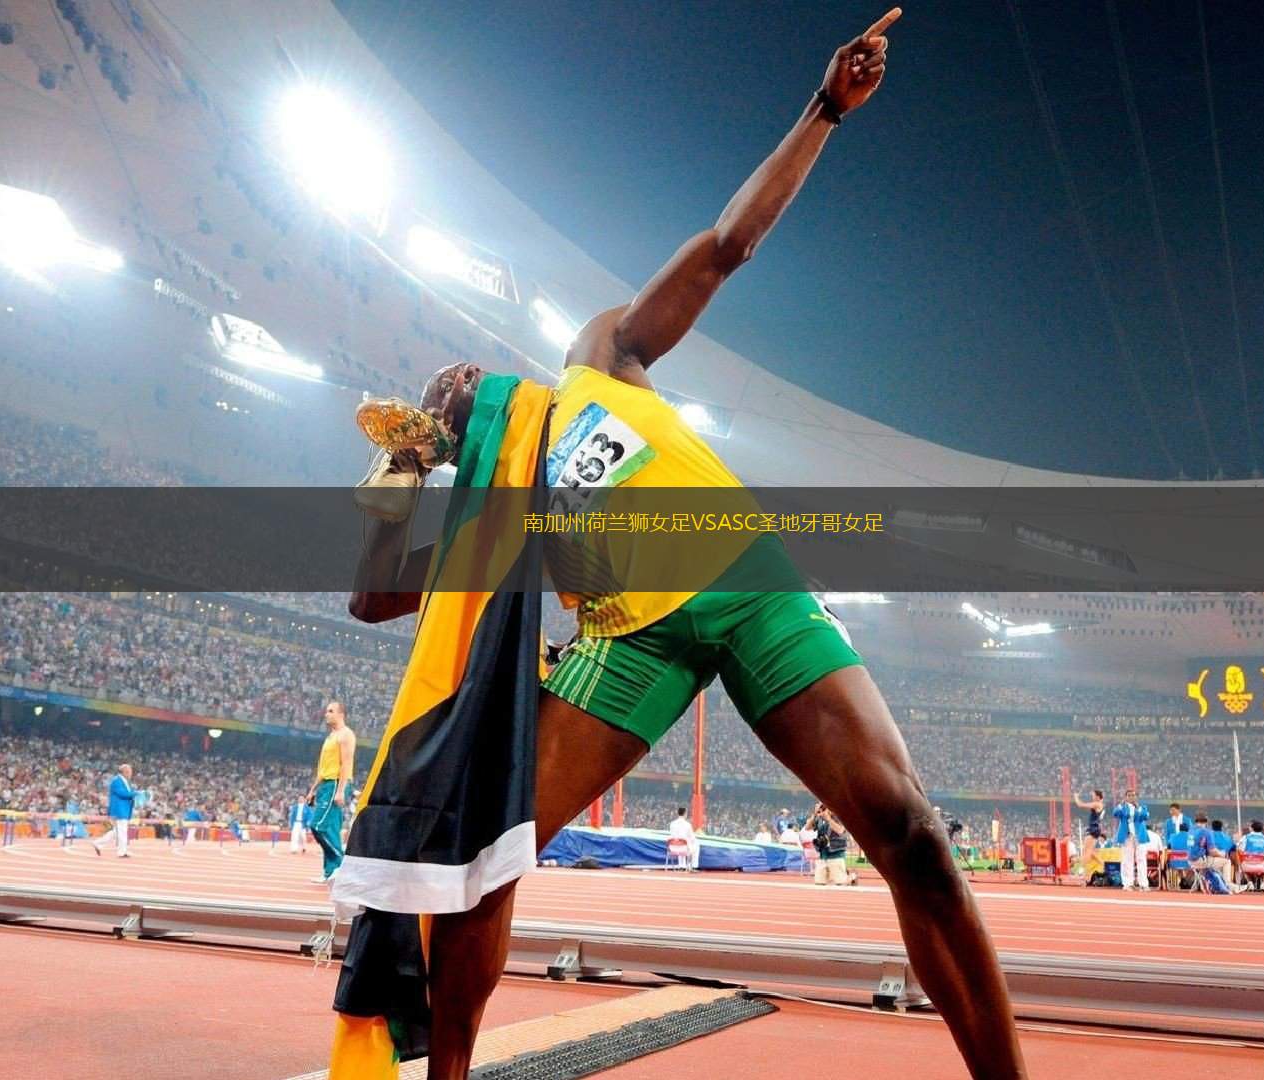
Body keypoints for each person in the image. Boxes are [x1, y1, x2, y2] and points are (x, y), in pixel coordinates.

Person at [343, 13, 1025, 1078]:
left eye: (462, 372)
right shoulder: (500, 517)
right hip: (627, 644)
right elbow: (375, 598)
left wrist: (824, 111)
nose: (456, 382)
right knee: (481, 857)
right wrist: (404, 468)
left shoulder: (598, 359)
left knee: (913, 833)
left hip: (747, 585)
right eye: (445, 398)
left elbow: (723, 250)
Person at [307, 701, 357, 884]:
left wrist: (341, 790)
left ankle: (342, 864)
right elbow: (323, 768)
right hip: (326, 784)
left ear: (341, 714)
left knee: (318, 826)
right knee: (332, 829)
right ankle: (330, 871)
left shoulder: (346, 735)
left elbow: (346, 763)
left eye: (330, 711)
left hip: (336, 783)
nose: (326, 714)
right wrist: (313, 790)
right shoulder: (330, 737)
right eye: (326, 711)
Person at [91, 764, 137, 857]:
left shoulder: (125, 782)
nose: (131, 773)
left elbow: (128, 794)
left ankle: (98, 843)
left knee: (117, 832)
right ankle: (122, 852)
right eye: (129, 771)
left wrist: (135, 794)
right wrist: (135, 793)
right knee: (122, 831)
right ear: (124, 772)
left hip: (123, 810)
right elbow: (122, 793)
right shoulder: (117, 781)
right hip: (119, 810)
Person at [1112, 787, 1152, 891]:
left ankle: (1143, 884)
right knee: (1127, 860)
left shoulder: (1142, 807)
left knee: (1141, 859)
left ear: (1136, 797)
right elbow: (1115, 813)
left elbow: (1145, 816)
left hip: (1140, 836)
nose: (1131, 797)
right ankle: (1128, 883)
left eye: (1133, 795)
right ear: (1126, 797)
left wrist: (1138, 807)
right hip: (1127, 836)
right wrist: (1121, 804)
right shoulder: (1122, 808)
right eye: (1129, 795)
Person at [1073, 788, 1106, 878]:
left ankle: (1081, 872)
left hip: (1093, 828)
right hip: (1094, 828)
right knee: (1090, 851)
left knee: (1086, 852)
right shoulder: (1100, 804)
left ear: (1098, 797)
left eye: (1093, 795)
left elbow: (1080, 805)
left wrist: (1076, 797)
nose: (1092, 797)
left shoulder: (1097, 804)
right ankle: (1103, 864)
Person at [667, 806, 698, 872]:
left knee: (681, 843)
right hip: (684, 848)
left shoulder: (672, 824)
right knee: (696, 844)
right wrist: (692, 841)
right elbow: (692, 837)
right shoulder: (687, 825)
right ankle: (694, 866)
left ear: (678, 813)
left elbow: (672, 835)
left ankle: (682, 866)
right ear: (685, 813)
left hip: (673, 848)